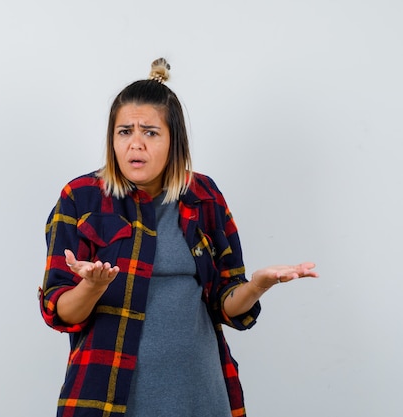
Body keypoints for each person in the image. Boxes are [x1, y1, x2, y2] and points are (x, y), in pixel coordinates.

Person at [38, 58, 318, 417]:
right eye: (125, 131)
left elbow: (225, 303)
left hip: (200, 394)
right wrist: (91, 286)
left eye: (150, 132)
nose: (135, 144)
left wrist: (256, 287)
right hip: (109, 398)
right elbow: (59, 312)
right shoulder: (81, 197)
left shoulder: (204, 195)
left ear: (174, 141)